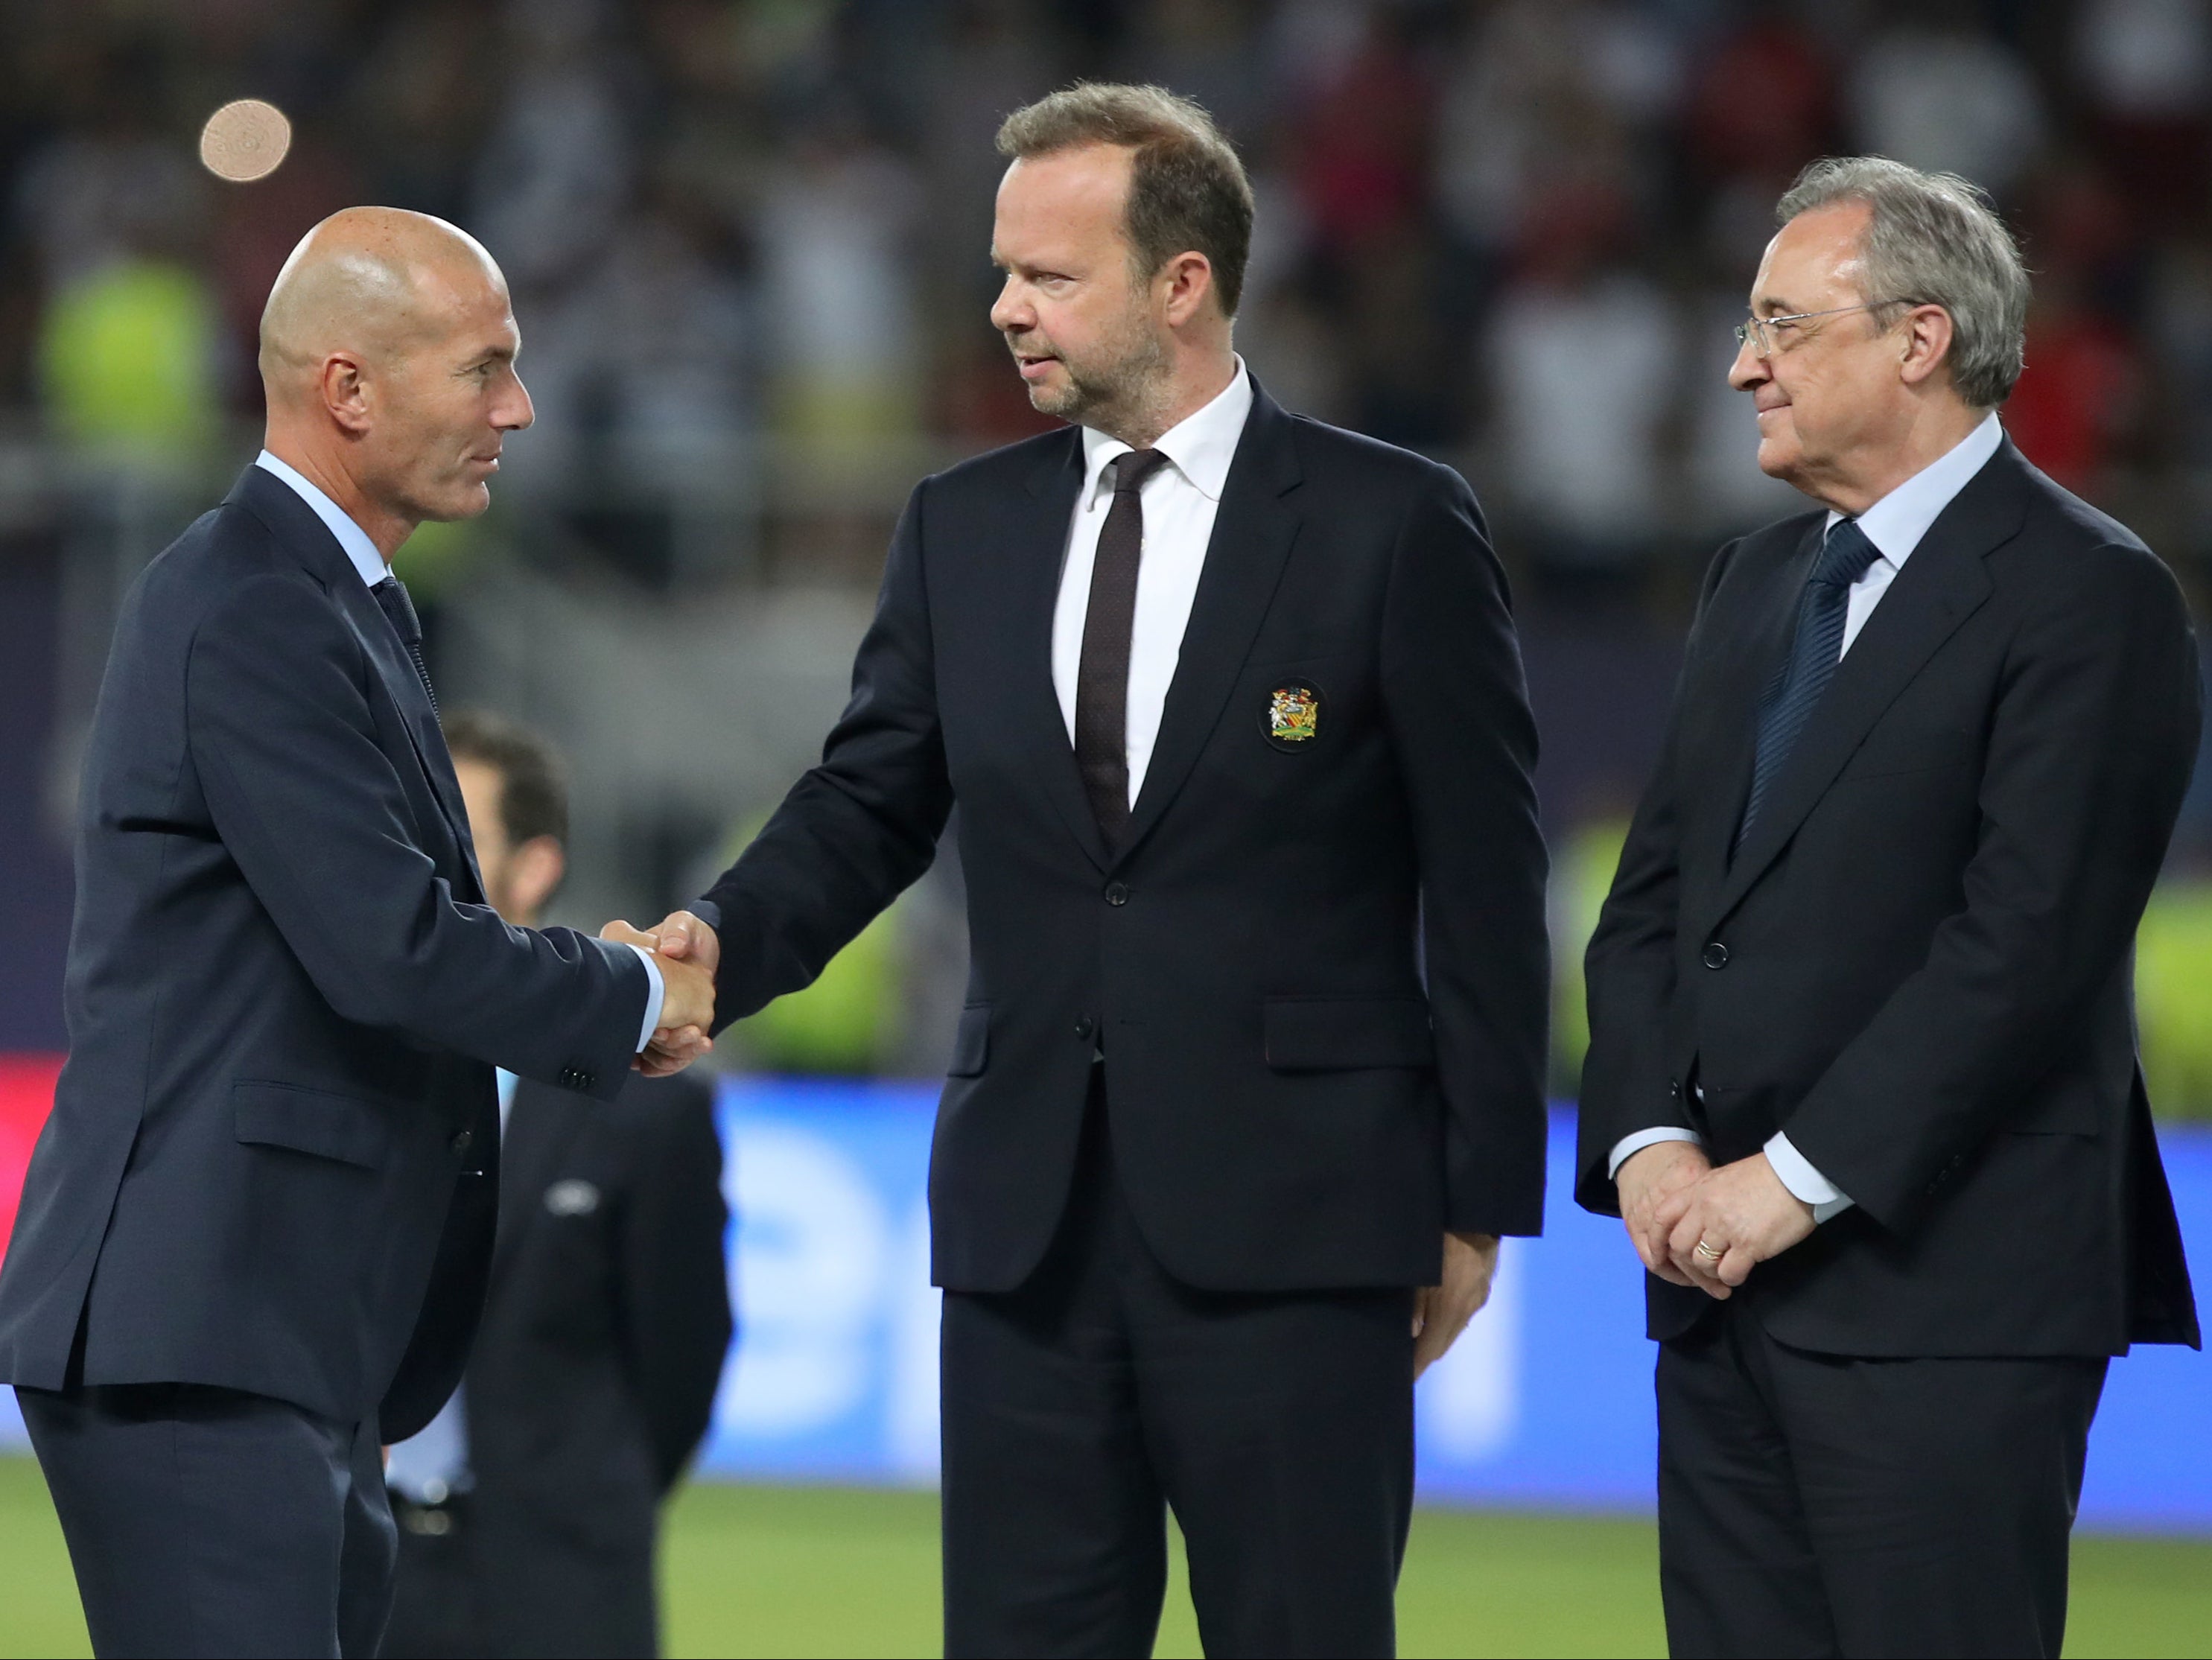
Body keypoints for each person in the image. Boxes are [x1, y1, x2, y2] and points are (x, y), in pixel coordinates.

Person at [611, 84, 1550, 1659]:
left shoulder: (1394, 524)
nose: (1004, 309)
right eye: (1001, 272)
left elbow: (1486, 876)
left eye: (1047, 276)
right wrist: (715, 942)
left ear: (1182, 283)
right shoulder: (958, 527)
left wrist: (1478, 1202)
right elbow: (866, 802)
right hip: (1026, 1239)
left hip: (1301, 1233)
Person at [0, 207, 714, 1660]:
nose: (517, 407)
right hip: (202, 1327)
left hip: (284, 1328)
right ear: (349, 389)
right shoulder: (254, 601)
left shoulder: (337, 602)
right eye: (485, 368)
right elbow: (394, 949)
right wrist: (633, 991)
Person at [1577, 156, 2202, 1659]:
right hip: (1714, 1294)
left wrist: (1781, 1183)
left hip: (1948, 1297)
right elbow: (1655, 900)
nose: (1742, 366)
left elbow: (2025, 946)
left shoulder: (2089, 596)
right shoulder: (1752, 581)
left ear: (1918, 341)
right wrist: (1656, 1145)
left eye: (1783, 326)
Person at [381, 710, 733, 1660]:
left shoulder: (644, 1098)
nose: (420, 862)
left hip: (559, 1584)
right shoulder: (338, 1072)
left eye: (455, 837)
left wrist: (580, 1497)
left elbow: (683, 1353)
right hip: (356, 1567)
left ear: (534, 869)